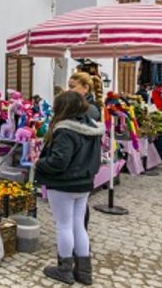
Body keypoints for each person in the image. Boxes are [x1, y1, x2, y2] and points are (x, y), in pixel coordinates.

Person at [34, 91, 104, 285]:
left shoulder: (65, 130)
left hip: (64, 184)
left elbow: (58, 162)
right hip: (84, 183)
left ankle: (64, 269)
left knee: (64, 225)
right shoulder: (91, 127)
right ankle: (84, 271)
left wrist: (39, 163)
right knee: (79, 225)